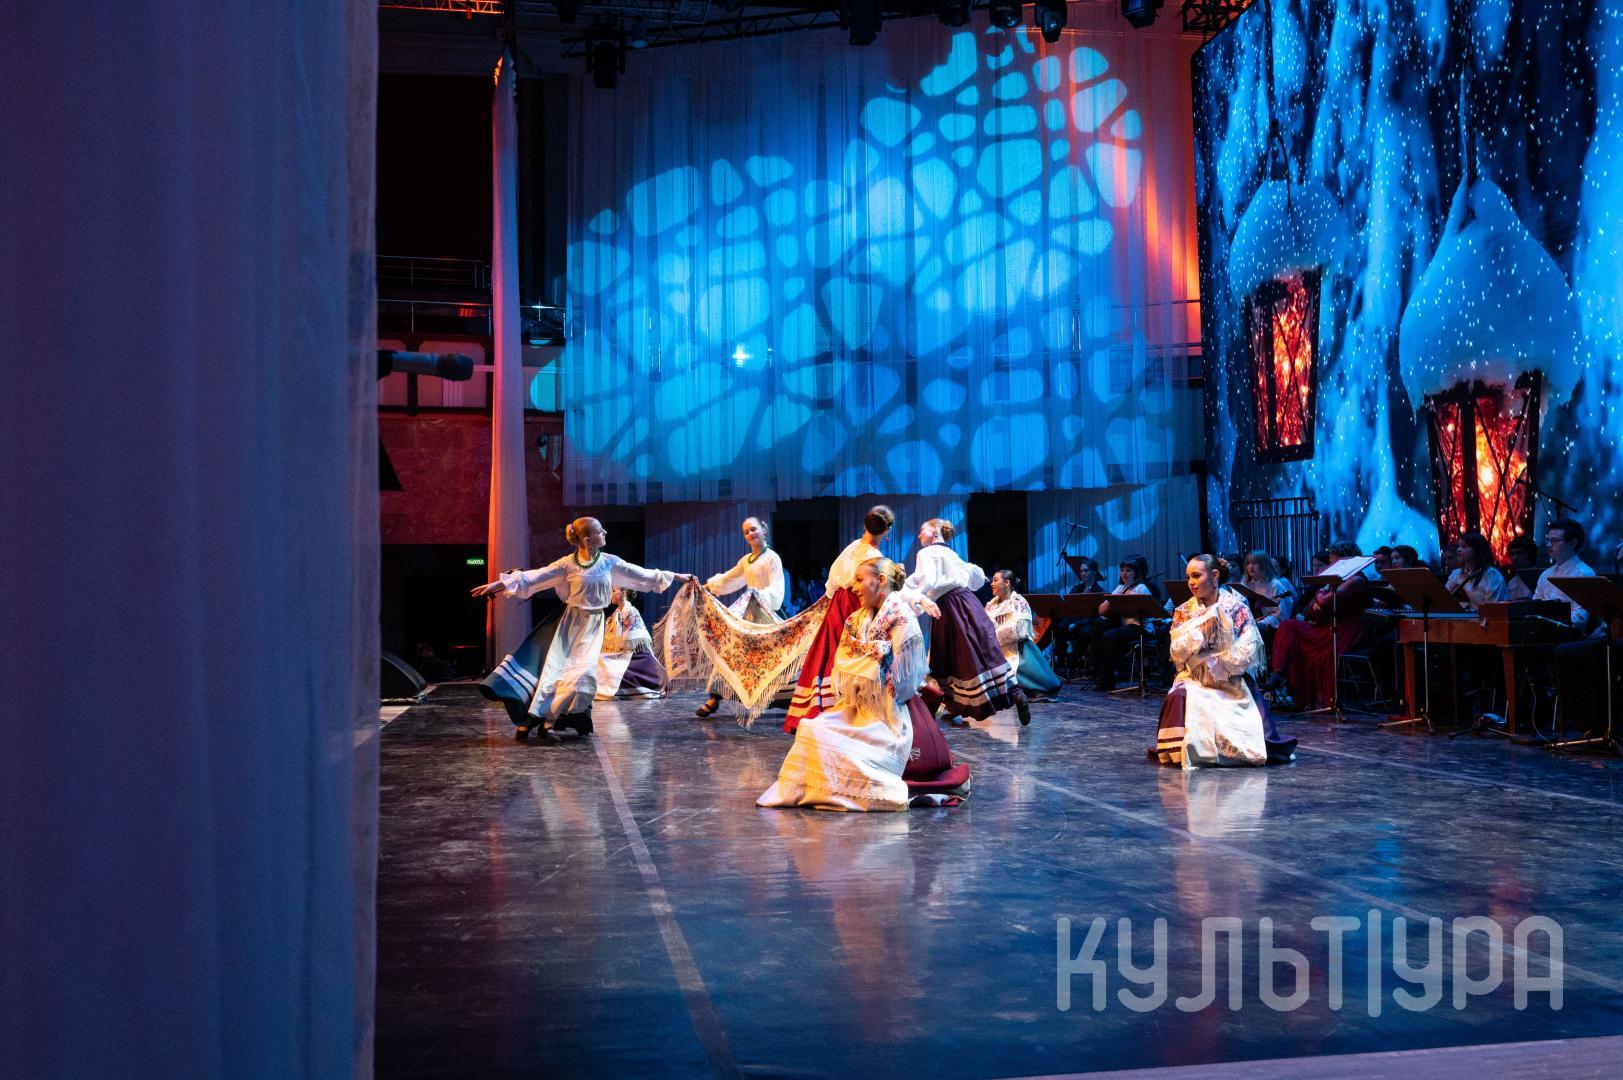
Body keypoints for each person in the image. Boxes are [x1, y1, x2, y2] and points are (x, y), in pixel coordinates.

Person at [759, 558, 954, 812]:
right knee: (811, 728)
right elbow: (843, 661)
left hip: (890, 712)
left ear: (881, 580)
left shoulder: (902, 618)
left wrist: (868, 660)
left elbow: (905, 682)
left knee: (846, 747)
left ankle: (849, 788)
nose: (853, 587)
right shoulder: (855, 619)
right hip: (856, 705)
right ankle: (818, 789)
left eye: (860, 580)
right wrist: (876, 657)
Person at [473, 517, 690, 742]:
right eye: (599, 531)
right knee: (555, 673)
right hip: (570, 624)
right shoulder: (567, 564)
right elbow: (536, 576)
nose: (605, 532)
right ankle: (541, 722)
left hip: (593, 625)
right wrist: (500, 584)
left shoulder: (609, 562)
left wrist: (676, 577)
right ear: (587, 540)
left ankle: (549, 721)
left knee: (583, 675)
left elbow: (642, 574)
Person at [1151, 555, 1297, 768]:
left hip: (1229, 676)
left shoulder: (1237, 607)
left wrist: (1219, 659)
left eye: (1196, 576)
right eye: (1188, 577)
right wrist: (1200, 634)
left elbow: (1247, 647)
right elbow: (1176, 650)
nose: (1191, 582)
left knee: (1245, 707)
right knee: (1179, 697)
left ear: (1214, 576)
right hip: (1195, 677)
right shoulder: (1184, 611)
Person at [907, 518, 1029, 725]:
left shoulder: (926, 553)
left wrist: (910, 595)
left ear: (935, 532)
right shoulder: (951, 553)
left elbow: (926, 580)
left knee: (949, 658)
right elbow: (973, 574)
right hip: (969, 603)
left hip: (949, 607)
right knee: (982, 652)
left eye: (922, 530)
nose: (919, 535)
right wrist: (980, 577)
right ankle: (1015, 693)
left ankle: (943, 709)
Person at [784, 505, 892, 732]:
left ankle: (821, 706)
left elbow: (833, 576)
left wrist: (832, 598)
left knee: (831, 651)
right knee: (856, 653)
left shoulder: (855, 545)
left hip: (839, 601)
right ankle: (845, 708)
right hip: (857, 602)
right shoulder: (875, 557)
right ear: (886, 531)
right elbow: (874, 588)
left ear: (865, 526)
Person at [694, 516, 788, 717]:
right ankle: (715, 697)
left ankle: (786, 698)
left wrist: (758, 595)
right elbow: (729, 578)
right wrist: (707, 587)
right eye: (746, 532)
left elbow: (777, 587)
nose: (750, 534)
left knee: (772, 659)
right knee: (729, 652)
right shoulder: (746, 561)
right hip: (749, 614)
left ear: (764, 530)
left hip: (767, 613)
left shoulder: (772, 558)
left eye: (753, 529)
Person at [1265, 541, 1371, 711]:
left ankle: (1310, 694)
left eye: (1332, 555)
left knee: (1315, 651)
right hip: (1327, 625)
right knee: (1289, 627)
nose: (1330, 559)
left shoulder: (1356, 580)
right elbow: (1318, 607)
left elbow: (1325, 601)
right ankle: (1279, 674)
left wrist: (1320, 592)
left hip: (1344, 629)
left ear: (1344, 556)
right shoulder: (1338, 580)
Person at [986, 569, 1062, 699]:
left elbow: (1018, 630)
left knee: (1045, 685)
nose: (992, 583)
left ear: (1007, 583)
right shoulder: (991, 605)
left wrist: (994, 635)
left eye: (996, 580)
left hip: (1017, 647)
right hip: (995, 649)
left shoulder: (1019, 602)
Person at [1087, 555, 1153, 692]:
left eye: (1128, 570)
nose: (1124, 573)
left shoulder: (1141, 588)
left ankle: (1106, 679)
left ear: (1135, 573)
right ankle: (1094, 666)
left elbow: (1148, 612)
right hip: (1125, 626)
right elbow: (1101, 610)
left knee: (1109, 636)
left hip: (1139, 626)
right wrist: (1113, 601)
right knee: (1099, 623)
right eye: (1122, 570)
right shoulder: (1120, 588)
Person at [593, 589, 667, 699]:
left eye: (614, 591)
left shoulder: (631, 611)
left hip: (631, 653)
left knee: (603, 663)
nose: (611, 593)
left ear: (623, 593)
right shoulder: (616, 613)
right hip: (620, 652)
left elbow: (632, 638)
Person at [1535, 518, 1597, 626]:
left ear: (1573, 543)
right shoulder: (1545, 575)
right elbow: (1534, 608)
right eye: (1548, 540)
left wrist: (1548, 624)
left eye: (1555, 540)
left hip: (1568, 633)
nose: (1548, 545)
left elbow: (1579, 620)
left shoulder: (1584, 574)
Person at [1443, 530, 1508, 609]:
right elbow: (1442, 597)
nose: (1458, 549)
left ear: (1477, 549)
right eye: (1459, 546)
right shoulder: (1457, 574)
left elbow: (1494, 608)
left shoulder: (1492, 575)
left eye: (1464, 546)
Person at [1239, 549, 1295, 630]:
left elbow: (1281, 616)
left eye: (1255, 563)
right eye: (1248, 563)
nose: (1251, 566)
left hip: (1269, 630)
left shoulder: (1275, 585)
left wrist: (1260, 624)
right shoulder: (1244, 584)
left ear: (1264, 565)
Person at [1504, 535, 1540, 600]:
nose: (1514, 558)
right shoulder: (1511, 583)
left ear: (1530, 554)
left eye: (1520, 553)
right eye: (1512, 554)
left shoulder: (1542, 578)